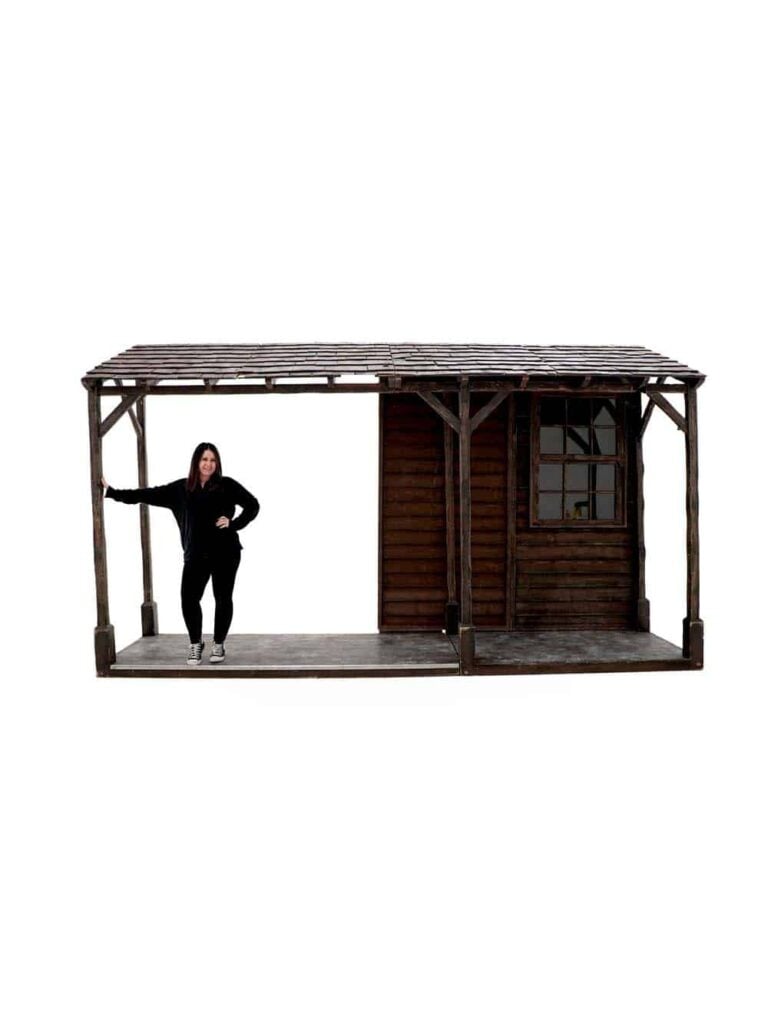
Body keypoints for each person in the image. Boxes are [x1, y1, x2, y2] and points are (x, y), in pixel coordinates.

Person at [102, 442, 260, 665]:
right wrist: (112, 492)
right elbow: (147, 494)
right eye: (204, 459)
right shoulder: (181, 489)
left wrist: (234, 524)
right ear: (196, 461)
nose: (208, 464)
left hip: (226, 552)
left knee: (223, 598)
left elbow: (253, 505)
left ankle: (218, 644)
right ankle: (196, 643)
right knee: (189, 599)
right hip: (196, 554)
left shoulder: (227, 485)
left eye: (212, 460)